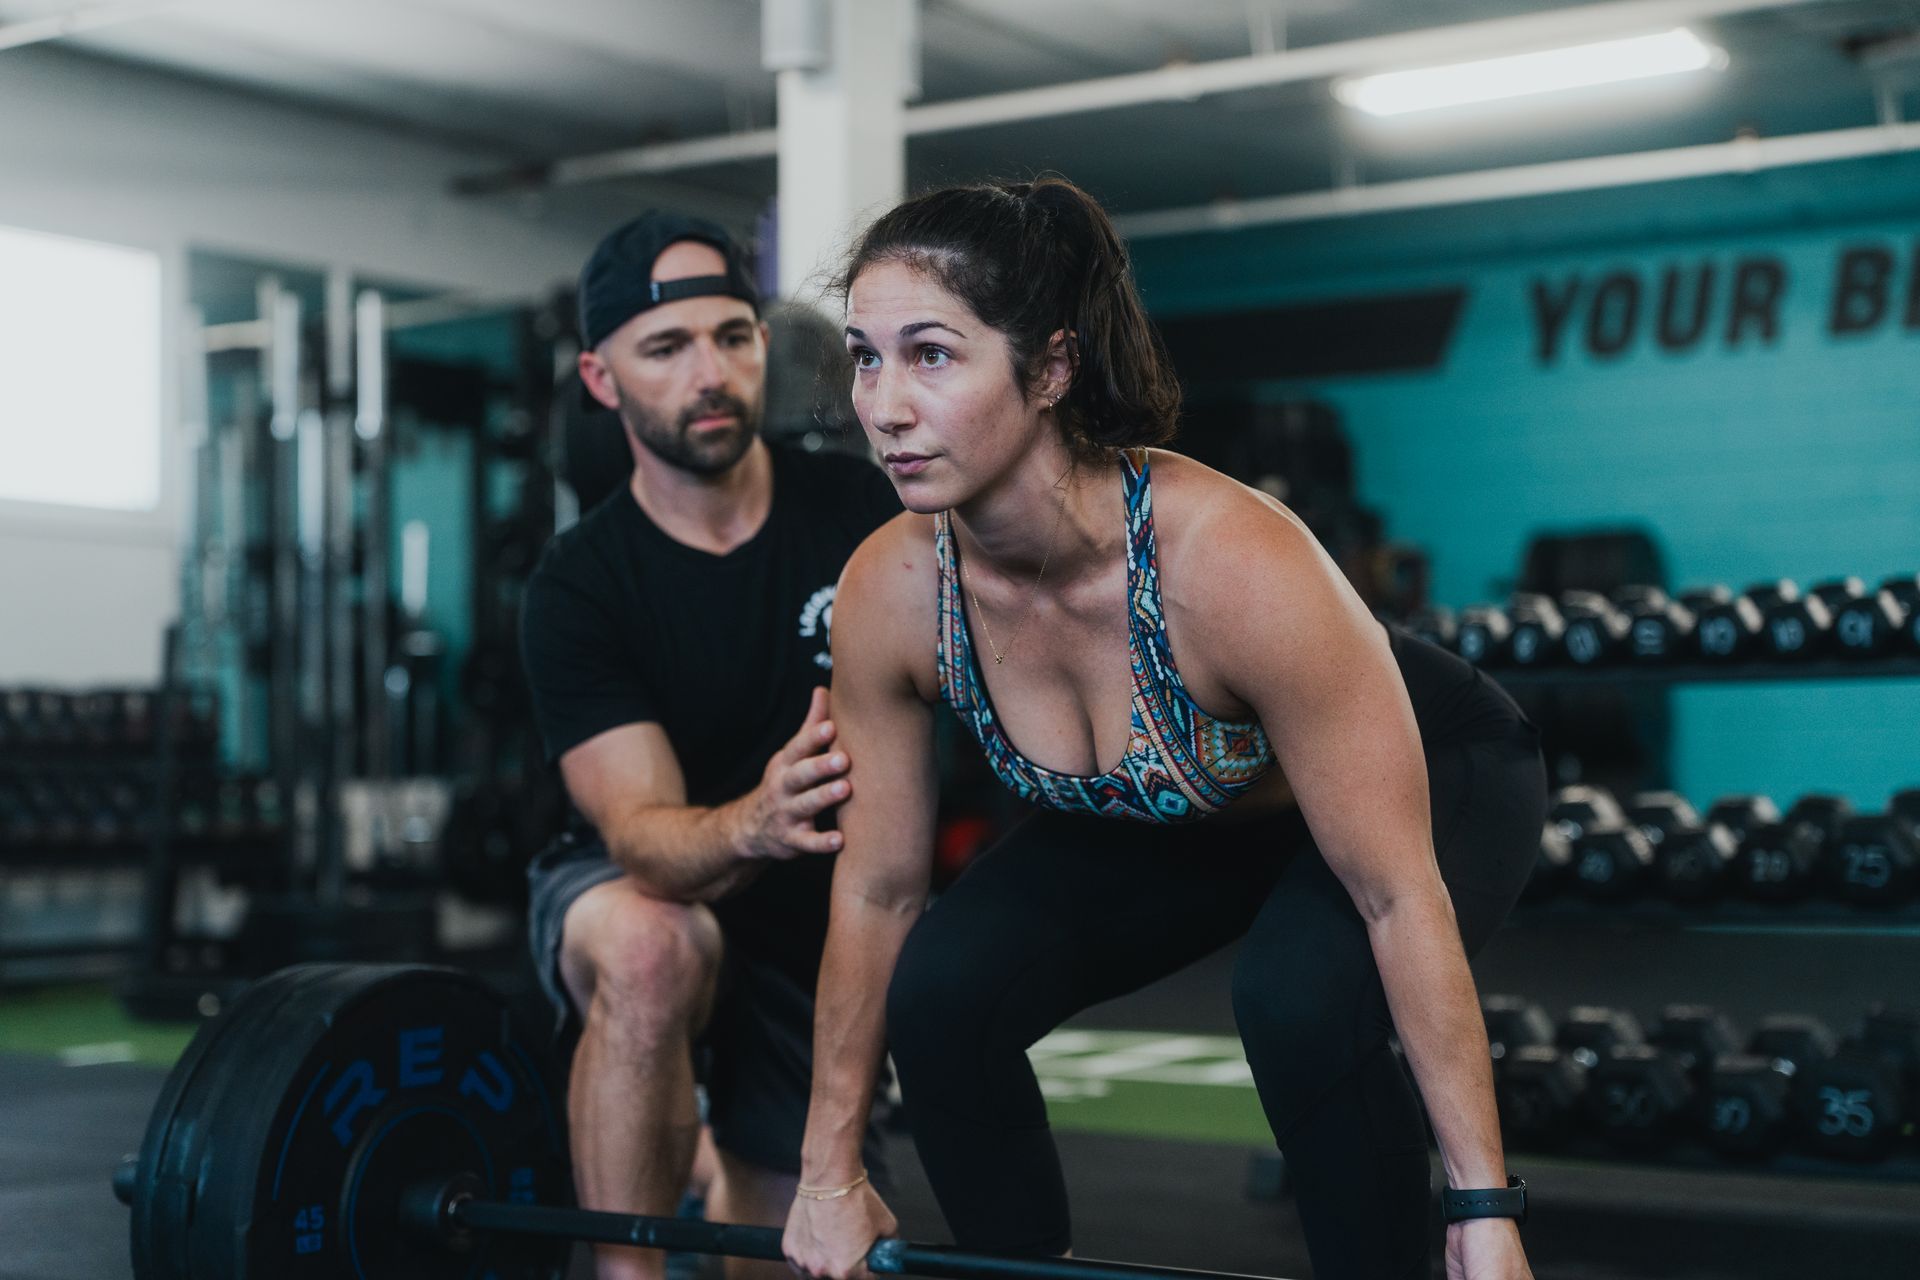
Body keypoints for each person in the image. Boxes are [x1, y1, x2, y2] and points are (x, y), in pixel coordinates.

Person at [779, 178, 1548, 1280]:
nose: (884, 405)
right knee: (944, 990)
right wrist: (827, 1174)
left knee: (1298, 1000)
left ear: (1051, 368)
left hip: (1435, 768)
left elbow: (1393, 894)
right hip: (1194, 808)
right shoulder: (893, 592)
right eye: (865, 357)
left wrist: (1482, 1209)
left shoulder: (1229, 564)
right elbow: (877, 891)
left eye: (932, 355)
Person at [519, 210, 900, 1280]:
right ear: (602, 379)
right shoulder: (580, 585)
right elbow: (641, 836)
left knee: (787, 1251)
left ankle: (710, 1159)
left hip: (810, 910)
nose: (710, 373)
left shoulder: (861, 513)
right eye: (666, 347)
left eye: (733, 336)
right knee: (654, 945)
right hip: (636, 879)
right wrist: (758, 820)